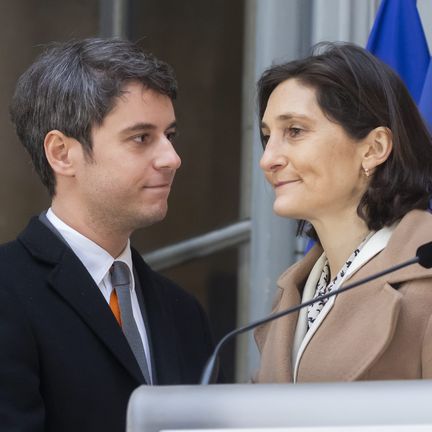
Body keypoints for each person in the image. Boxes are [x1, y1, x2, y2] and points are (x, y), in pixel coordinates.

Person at [1, 38, 214, 432]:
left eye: (170, 134)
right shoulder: (7, 291)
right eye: (141, 137)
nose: (172, 158)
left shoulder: (184, 312)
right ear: (62, 153)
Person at [254, 42, 432, 383]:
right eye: (267, 137)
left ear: (374, 148)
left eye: (294, 131)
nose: (268, 159)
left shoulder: (425, 279)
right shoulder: (291, 293)